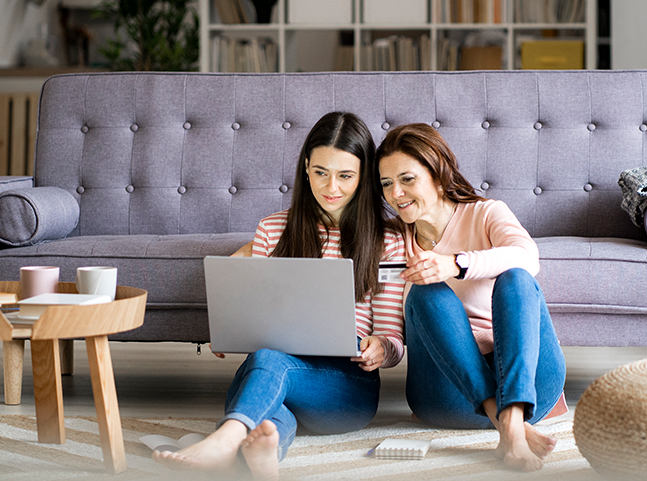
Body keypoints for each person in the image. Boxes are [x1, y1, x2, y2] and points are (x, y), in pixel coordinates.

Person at [153, 112, 406, 480]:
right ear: (305, 167)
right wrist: (232, 328)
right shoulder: (273, 229)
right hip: (277, 370)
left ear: (364, 177)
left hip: (347, 389)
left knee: (268, 363)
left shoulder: (388, 240)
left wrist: (381, 348)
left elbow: (392, 338)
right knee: (269, 411)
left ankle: (224, 440)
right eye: (320, 172)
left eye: (345, 176)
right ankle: (263, 456)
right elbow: (258, 312)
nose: (330, 186)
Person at [375, 123, 567, 473]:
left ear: (437, 174)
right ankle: (510, 428)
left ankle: (510, 421)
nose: (395, 194)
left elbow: (528, 256)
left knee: (516, 278)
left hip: (529, 388)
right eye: (387, 184)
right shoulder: (390, 240)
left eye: (407, 179)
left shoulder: (486, 212)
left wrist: (456, 264)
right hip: (447, 393)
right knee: (425, 292)